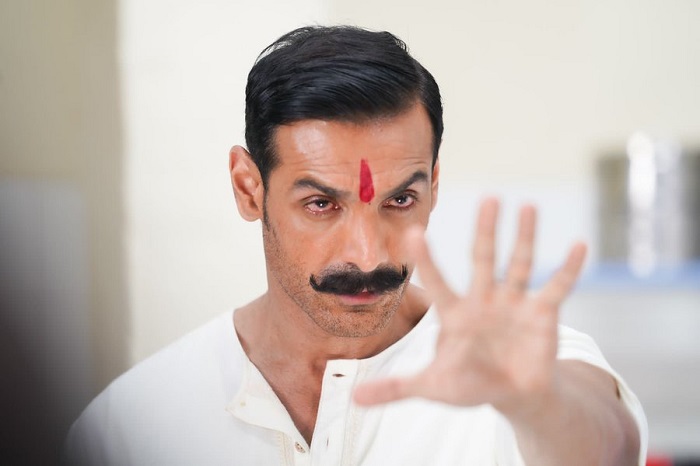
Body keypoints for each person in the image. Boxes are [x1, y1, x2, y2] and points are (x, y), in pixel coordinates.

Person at [64, 25, 647, 465]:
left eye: (400, 200)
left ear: (434, 185)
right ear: (248, 188)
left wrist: (537, 404)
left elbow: (608, 446)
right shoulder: (126, 427)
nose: (369, 256)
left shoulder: (511, 368)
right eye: (322, 204)